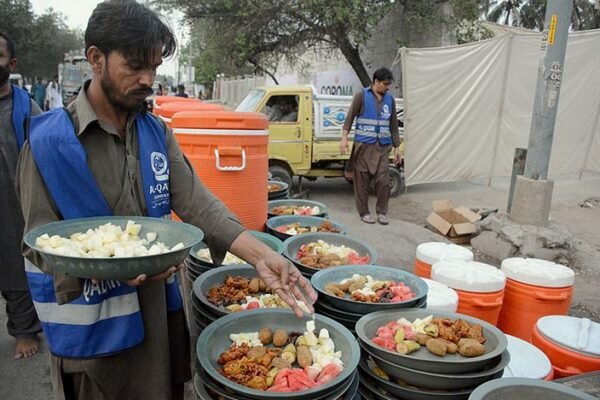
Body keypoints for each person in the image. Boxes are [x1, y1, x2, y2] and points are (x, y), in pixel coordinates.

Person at [16, 2, 316, 400]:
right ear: (96, 59)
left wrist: (261, 256)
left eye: (154, 68)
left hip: (158, 322)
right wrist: (103, 269)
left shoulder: (156, 133)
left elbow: (198, 204)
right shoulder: (48, 143)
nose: (148, 80)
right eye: (135, 66)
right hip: (93, 344)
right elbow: (37, 243)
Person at [0, 32, 42, 360]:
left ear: (11, 64)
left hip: (11, 201)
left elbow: (45, 153)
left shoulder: (26, 107)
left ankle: (24, 329)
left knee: (13, 264)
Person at [340, 67, 401, 225]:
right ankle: (364, 212)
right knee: (361, 182)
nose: (387, 87)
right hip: (364, 146)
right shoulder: (361, 96)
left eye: (389, 84)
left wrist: (397, 147)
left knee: (383, 181)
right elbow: (349, 118)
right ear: (376, 82)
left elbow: (393, 124)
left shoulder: (390, 100)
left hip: (382, 147)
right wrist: (344, 138)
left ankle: (381, 212)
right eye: (385, 84)